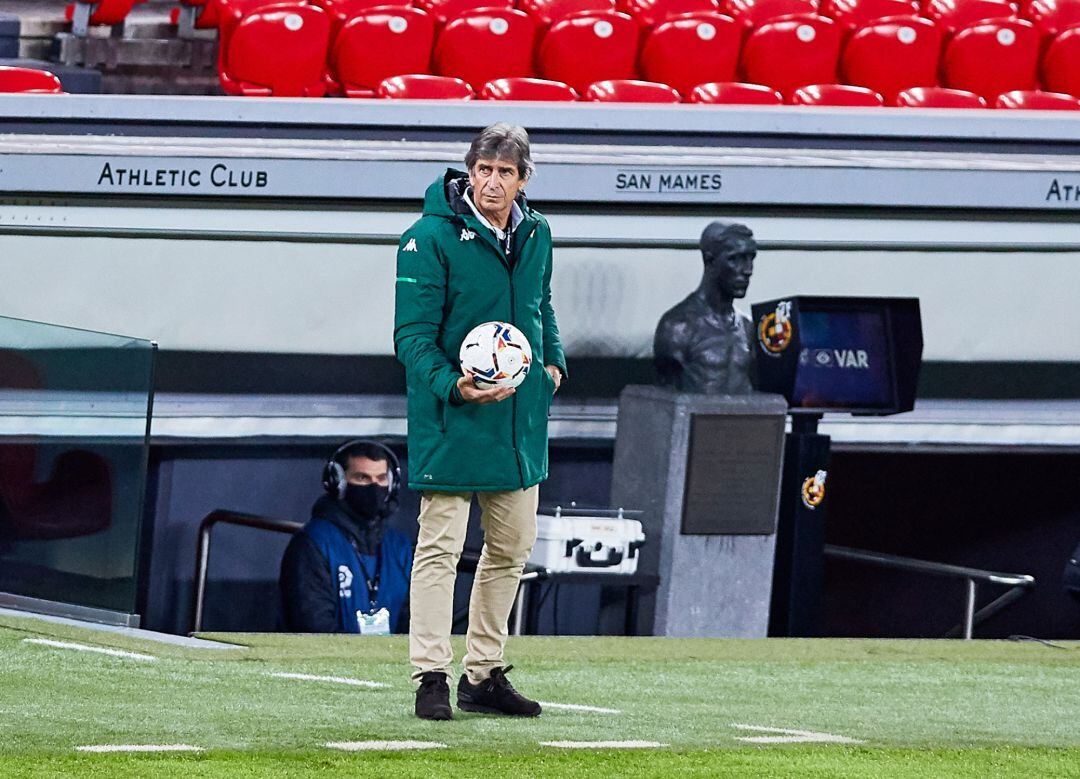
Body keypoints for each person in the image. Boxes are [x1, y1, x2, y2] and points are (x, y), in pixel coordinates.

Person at [394, 123, 566, 720]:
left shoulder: (538, 233)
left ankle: (484, 674)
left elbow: (542, 305)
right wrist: (454, 385)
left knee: (510, 551)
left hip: (519, 423)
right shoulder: (427, 238)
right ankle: (430, 677)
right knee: (439, 549)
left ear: (523, 179)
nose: (491, 182)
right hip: (452, 417)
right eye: (483, 170)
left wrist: (553, 363)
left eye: (504, 173)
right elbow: (411, 337)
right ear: (469, 170)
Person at [279, 440, 412, 635]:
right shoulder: (313, 543)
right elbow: (313, 626)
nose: (374, 487)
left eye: (381, 478)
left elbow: (413, 620)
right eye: (362, 478)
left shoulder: (399, 546)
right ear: (338, 483)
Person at [653, 221, 758, 394]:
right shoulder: (677, 327)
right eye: (735, 259)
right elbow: (665, 406)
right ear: (710, 260)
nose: (748, 270)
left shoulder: (747, 327)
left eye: (750, 258)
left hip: (743, 420)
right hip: (694, 420)